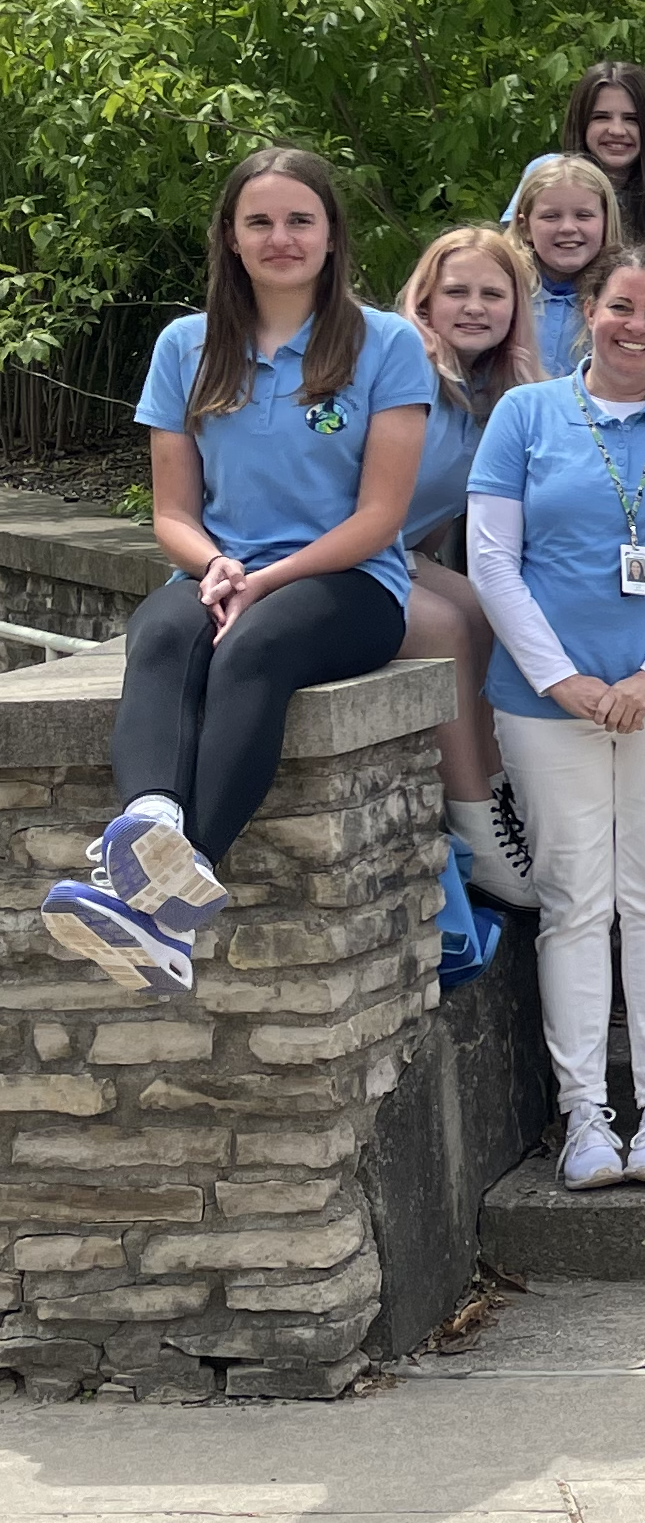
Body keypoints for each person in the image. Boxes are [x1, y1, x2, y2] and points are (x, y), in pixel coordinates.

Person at [43, 149, 436, 999]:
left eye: (300, 220)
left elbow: (379, 516)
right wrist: (217, 565)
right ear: (230, 236)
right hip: (221, 573)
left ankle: (166, 905)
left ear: (332, 237)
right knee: (159, 634)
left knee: (253, 650)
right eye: (259, 221)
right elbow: (173, 514)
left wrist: (268, 578)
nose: (280, 237)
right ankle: (149, 824)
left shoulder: (388, 345)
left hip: (349, 581)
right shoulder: (187, 346)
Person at [467, 243, 645, 1190]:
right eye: (620, 307)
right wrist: (561, 680)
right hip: (545, 705)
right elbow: (492, 561)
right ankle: (585, 1112)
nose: (636, 327)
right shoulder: (525, 413)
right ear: (588, 308)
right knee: (575, 903)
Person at [394, 224, 546, 909]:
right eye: (456, 290)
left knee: (486, 606)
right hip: (319, 552)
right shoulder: (401, 366)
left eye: (493, 292)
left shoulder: (498, 393)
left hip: (392, 551)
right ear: (424, 300)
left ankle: (498, 784)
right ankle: (477, 829)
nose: (474, 305)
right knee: (445, 626)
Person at [512, 64, 645, 382]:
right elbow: (510, 249)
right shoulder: (546, 171)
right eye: (601, 117)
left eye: (631, 119)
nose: (617, 130)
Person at [509, 154, 621, 377]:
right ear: (525, 227)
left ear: (606, 221)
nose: (568, 228)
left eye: (583, 215)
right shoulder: (502, 291)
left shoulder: (623, 299)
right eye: (551, 216)